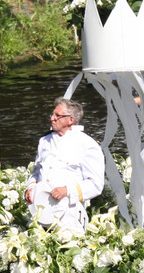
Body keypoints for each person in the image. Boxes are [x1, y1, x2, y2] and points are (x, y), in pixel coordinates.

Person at [25, 97, 105, 233]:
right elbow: (37, 172)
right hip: (39, 214)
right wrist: (31, 187)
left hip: (69, 218)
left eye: (57, 116)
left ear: (70, 120)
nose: (52, 119)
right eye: (52, 114)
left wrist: (67, 190)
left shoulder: (87, 144)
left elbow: (96, 185)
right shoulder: (44, 141)